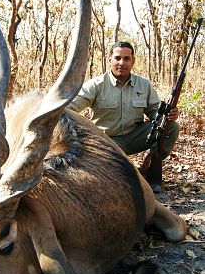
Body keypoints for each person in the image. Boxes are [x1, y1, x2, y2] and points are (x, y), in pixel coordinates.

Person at [68, 41, 180, 193]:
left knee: (172, 127)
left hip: (135, 135)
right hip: (108, 141)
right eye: (117, 58)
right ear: (110, 60)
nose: (122, 63)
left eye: (126, 59)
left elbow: (155, 112)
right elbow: (70, 108)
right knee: (118, 180)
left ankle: (152, 168)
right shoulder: (96, 85)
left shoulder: (144, 84)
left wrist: (169, 116)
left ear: (133, 61)